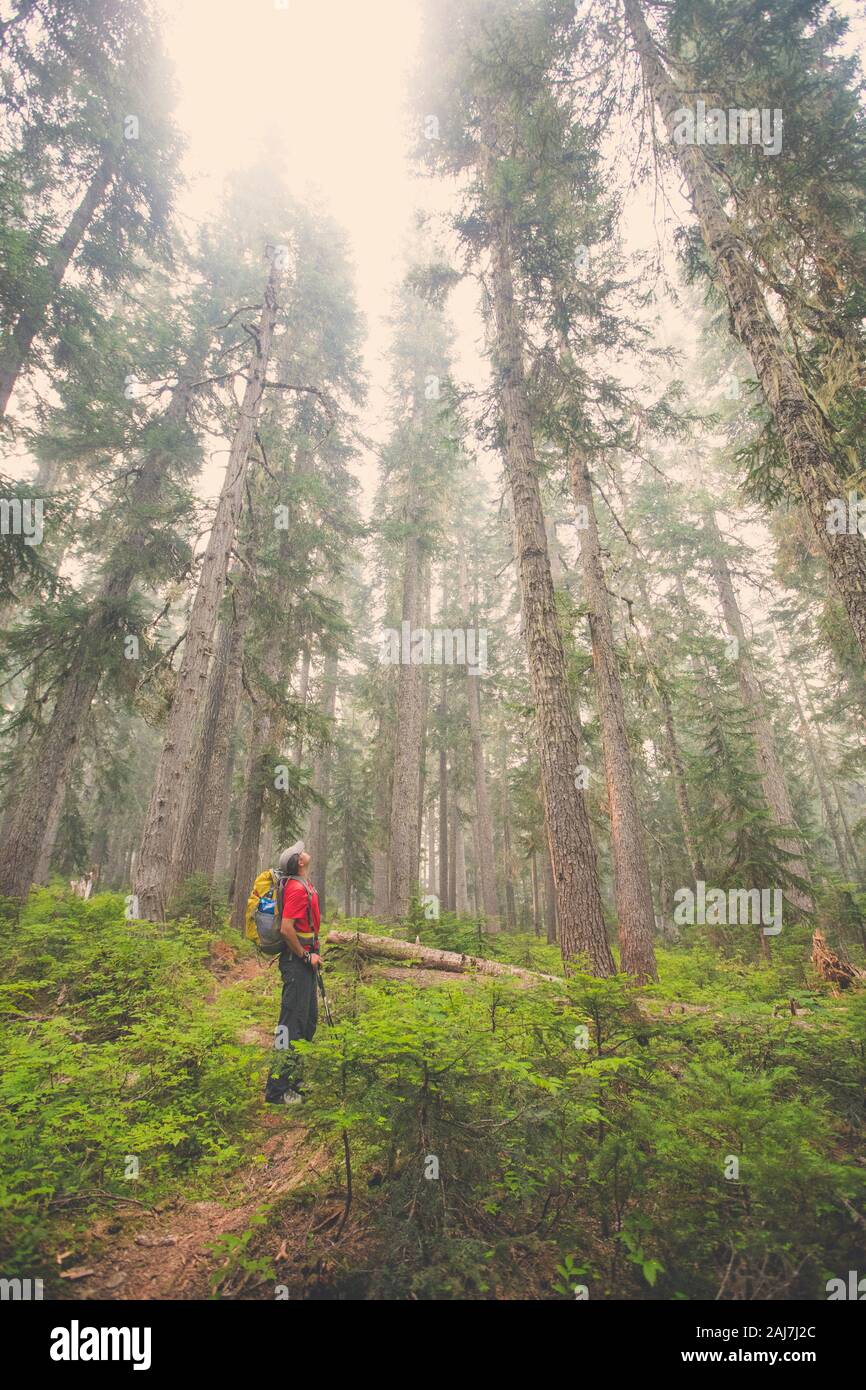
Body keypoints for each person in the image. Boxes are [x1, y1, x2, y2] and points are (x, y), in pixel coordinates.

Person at [264, 840, 322, 1105]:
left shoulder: (303, 885)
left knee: (308, 1021)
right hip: (297, 964)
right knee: (289, 1027)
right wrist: (305, 955)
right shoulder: (297, 890)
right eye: (301, 852)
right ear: (299, 862)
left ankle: (295, 1081)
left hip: (305, 964)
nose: (305, 851)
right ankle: (277, 1092)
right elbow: (287, 929)